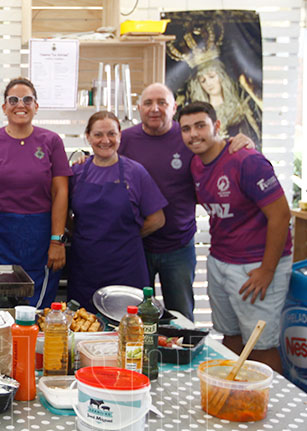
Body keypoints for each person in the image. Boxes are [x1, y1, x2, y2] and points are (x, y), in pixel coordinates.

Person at [117, 83, 254, 320]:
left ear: (174, 108)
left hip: (178, 245)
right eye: (148, 103)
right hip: (138, 245)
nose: (155, 108)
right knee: (136, 318)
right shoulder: (125, 139)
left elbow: (219, 149)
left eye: (162, 103)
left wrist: (243, 141)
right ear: (138, 108)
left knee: (181, 317)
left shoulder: (188, 137)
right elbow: (103, 161)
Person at [178, 102, 292, 374]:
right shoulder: (195, 164)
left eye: (200, 126)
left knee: (261, 347)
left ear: (217, 126)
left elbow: (281, 215)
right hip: (220, 260)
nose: (193, 134)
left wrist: (267, 270)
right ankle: (233, 394)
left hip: (256, 265)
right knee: (230, 337)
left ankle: (269, 397)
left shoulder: (246, 160)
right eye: (186, 129)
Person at [0, 78, 70, 308]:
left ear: (36, 106)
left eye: (27, 99)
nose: (20, 104)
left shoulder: (52, 141)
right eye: (13, 100)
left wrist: (57, 241)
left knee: (36, 309)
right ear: (4, 107)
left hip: (41, 236)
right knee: (0, 307)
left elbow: (61, 192)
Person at [67, 111, 168, 312]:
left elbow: (158, 219)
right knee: (83, 323)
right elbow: (62, 214)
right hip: (85, 267)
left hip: (126, 267)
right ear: (87, 137)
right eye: (98, 134)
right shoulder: (77, 172)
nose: (105, 140)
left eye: (111, 134)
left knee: (128, 325)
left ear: (120, 135)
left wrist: (126, 237)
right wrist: (81, 235)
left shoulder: (136, 172)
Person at [185, 61, 262, 148]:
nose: (208, 83)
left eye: (212, 77)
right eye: (203, 81)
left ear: (221, 77)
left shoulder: (240, 107)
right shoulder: (200, 113)